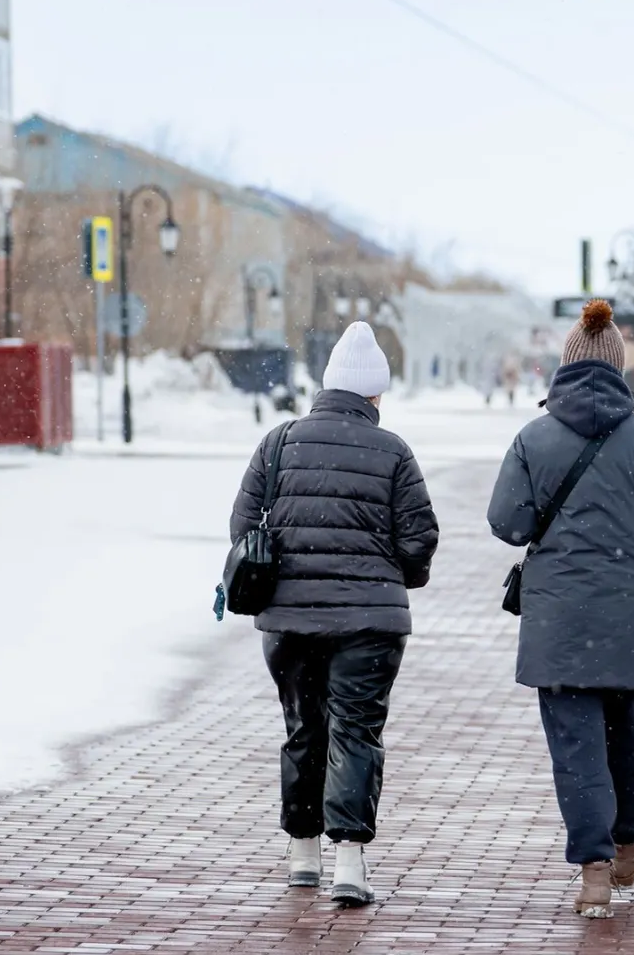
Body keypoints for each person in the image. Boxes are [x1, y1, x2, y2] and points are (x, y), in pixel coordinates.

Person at [487, 299, 634, 919]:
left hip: (559, 626)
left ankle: (595, 871)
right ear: (619, 366)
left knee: (577, 753)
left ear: (565, 366)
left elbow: (508, 522)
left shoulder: (534, 437)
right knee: (630, 745)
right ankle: (631, 838)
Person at [229, 321, 439, 908]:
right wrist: (395, 576)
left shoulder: (279, 443)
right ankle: (349, 861)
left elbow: (243, 528)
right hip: (370, 626)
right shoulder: (393, 450)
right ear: (374, 394)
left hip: (289, 623)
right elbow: (419, 539)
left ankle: (302, 855)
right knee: (356, 732)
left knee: (304, 729)